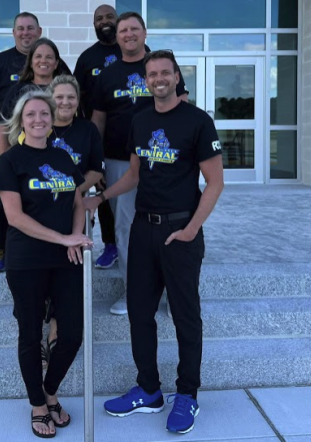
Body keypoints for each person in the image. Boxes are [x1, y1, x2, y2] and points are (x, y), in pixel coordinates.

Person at [85, 50, 223, 434]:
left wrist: (193, 228)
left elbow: (215, 182)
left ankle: (188, 395)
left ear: (177, 77)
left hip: (180, 231)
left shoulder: (198, 121)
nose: (159, 78)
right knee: (139, 312)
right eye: (152, 74)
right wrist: (102, 197)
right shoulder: (141, 120)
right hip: (144, 230)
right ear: (145, 80)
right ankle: (148, 389)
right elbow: (133, 174)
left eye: (165, 72)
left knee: (184, 315)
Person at [0, 90, 92, 438]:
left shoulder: (62, 157)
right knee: (31, 334)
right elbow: (15, 218)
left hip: (66, 259)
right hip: (27, 261)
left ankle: (50, 391)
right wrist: (63, 238)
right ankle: (38, 404)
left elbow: (78, 202)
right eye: (31, 114)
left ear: (52, 121)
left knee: (73, 335)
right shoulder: (11, 161)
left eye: (44, 115)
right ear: (22, 121)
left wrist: (76, 236)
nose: (39, 120)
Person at [89, 11, 187, 315]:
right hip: (119, 161)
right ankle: (135, 292)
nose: (128, 34)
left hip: (164, 160)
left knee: (171, 224)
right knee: (126, 229)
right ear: (116, 37)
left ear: (144, 33)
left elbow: (181, 109)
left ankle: (174, 293)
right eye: (123, 30)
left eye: (134, 29)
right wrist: (97, 165)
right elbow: (98, 121)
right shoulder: (108, 74)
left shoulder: (160, 67)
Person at [0, 14, 70, 272]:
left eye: (31, 29)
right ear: (13, 32)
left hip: (56, 154)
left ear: (39, 31)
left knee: (48, 197)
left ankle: (58, 243)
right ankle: (2, 248)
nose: (26, 33)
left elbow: (73, 103)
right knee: (9, 199)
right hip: (15, 151)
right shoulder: (0, 64)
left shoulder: (61, 72)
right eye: (21, 29)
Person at [43, 74, 105, 360]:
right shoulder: (38, 126)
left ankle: (58, 325)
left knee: (69, 266)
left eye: (71, 97)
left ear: (78, 101)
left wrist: (73, 191)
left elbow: (96, 170)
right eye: (59, 97)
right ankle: (45, 320)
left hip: (75, 205)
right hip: (41, 207)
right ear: (50, 99)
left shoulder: (87, 130)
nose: (65, 102)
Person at [73, 4, 122, 270]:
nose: (104, 21)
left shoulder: (137, 52)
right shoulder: (87, 58)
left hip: (135, 144)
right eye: (98, 18)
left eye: (109, 17)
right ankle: (111, 245)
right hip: (101, 140)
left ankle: (137, 247)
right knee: (104, 196)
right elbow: (76, 98)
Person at [0, 38, 67, 156]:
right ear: (30, 62)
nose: (43, 61)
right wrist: (3, 161)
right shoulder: (17, 91)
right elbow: (4, 129)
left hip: (59, 155)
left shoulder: (65, 90)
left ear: (56, 64)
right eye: (38, 56)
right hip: (24, 158)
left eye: (49, 57)